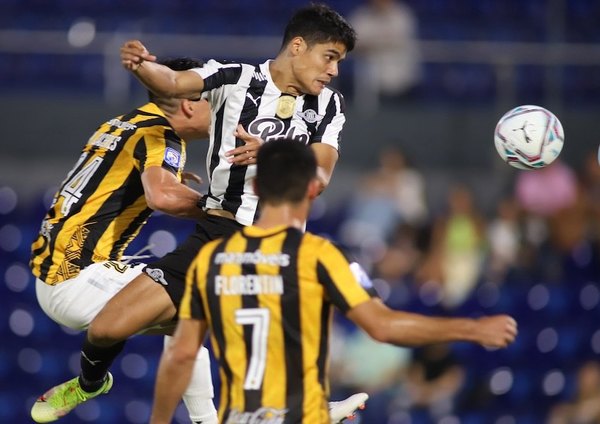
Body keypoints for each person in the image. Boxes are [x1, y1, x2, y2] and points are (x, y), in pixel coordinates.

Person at [32, 4, 366, 423]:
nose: (334, 71)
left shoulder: (329, 106)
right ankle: (92, 385)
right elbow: (173, 81)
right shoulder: (235, 78)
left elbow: (319, 173)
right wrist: (141, 66)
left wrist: (275, 153)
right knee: (109, 329)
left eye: (338, 62)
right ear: (298, 47)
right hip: (211, 238)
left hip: (268, 244)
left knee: (213, 335)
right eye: (329, 57)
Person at [150, 140, 518, 424]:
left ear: (258, 187)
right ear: (313, 188)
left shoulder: (212, 260)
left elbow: (182, 354)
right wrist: (472, 328)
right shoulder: (322, 256)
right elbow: (383, 326)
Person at [29, 57, 233, 424]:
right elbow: (162, 198)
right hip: (80, 279)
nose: (220, 112)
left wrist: (166, 178)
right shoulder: (161, 135)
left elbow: (119, 181)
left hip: (56, 274)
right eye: (214, 102)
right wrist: (225, 210)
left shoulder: (122, 123)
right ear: (189, 101)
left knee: (191, 316)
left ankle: (94, 383)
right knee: (202, 304)